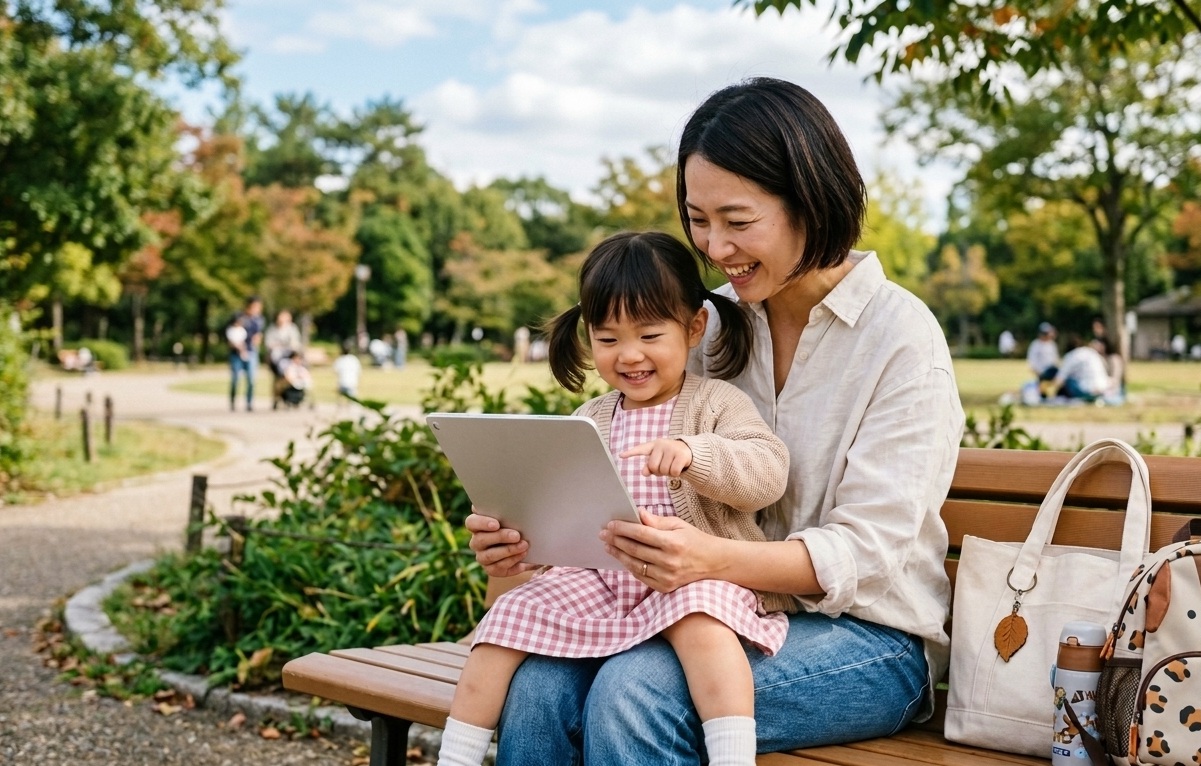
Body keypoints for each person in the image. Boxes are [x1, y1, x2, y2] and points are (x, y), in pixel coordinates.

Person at [465, 77, 965, 764]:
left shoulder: (899, 339)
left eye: (737, 221)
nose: (714, 246)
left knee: (635, 693)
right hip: (704, 608)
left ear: (808, 203)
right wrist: (530, 545)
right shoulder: (706, 325)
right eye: (698, 220)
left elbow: (866, 552)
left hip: (871, 642)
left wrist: (711, 559)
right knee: (541, 686)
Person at [437, 231, 792, 766]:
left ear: (694, 327)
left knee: (702, 628)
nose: (629, 356)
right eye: (607, 340)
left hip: (692, 580)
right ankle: (455, 757)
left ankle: (732, 754)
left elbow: (768, 472)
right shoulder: (593, 418)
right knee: (501, 629)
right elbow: (562, 511)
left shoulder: (715, 402)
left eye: (650, 335)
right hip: (601, 584)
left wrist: (696, 455)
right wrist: (522, 537)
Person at [227, 296, 264, 412]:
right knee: (235, 379)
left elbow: (259, 335)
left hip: (251, 352)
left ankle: (249, 403)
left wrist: (258, 339)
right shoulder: (239, 317)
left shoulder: (259, 320)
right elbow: (230, 333)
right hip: (236, 353)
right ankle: (233, 401)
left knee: (251, 379)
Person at [1053, 334, 1111, 401]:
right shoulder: (1091, 352)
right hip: (1103, 387)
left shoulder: (1071, 356)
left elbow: (1059, 379)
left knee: (1069, 381)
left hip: (1087, 389)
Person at [265, 310, 303, 407]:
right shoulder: (272, 330)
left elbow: (295, 344)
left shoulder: (292, 329)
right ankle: (276, 398)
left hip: (289, 358)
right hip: (277, 359)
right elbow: (269, 344)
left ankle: (293, 397)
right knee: (277, 379)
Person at [1026, 321, 1060, 388]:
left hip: (1052, 373)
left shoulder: (1052, 344)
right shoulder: (1035, 345)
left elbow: (1055, 360)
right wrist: (1038, 373)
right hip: (1041, 374)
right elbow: (1031, 362)